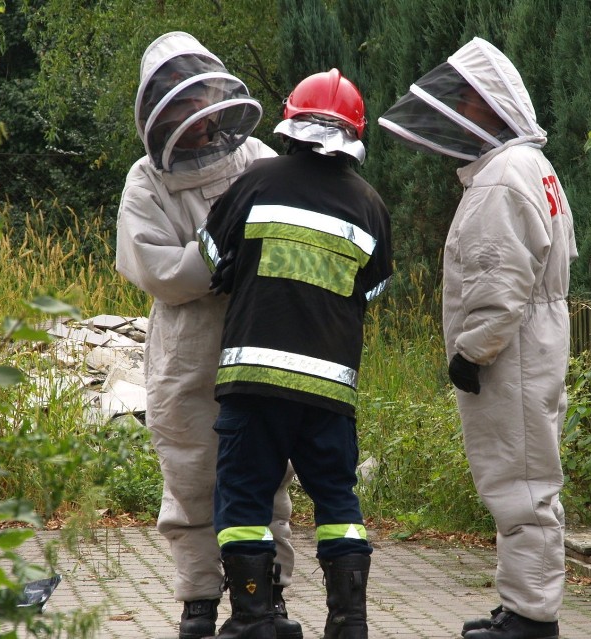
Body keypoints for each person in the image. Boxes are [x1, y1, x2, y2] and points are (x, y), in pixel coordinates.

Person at [378, 37, 577, 639]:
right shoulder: (530, 168)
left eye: (467, 97)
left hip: (510, 353)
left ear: (491, 105)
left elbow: (497, 281)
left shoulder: (501, 177)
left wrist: (471, 352)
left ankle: (531, 617)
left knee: (519, 483)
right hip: (533, 342)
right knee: (525, 475)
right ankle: (521, 605)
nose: (459, 108)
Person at [115, 31, 301, 639]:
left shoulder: (257, 161)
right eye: (180, 109)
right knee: (193, 478)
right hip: (189, 349)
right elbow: (158, 271)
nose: (195, 121)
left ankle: (266, 601)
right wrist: (227, 259)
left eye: (201, 105)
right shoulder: (146, 182)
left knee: (266, 477)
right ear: (160, 113)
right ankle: (198, 604)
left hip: (260, 339)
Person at [197, 68, 392, 639]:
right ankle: (349, 625)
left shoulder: (255, 183)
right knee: (337, 499)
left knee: (243, 500)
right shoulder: (371, 205)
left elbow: (213, 261)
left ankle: (255, 621)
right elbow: (372, 290)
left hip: (254, 381)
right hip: (329, 392)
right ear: (353, 135)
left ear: (291, 122)